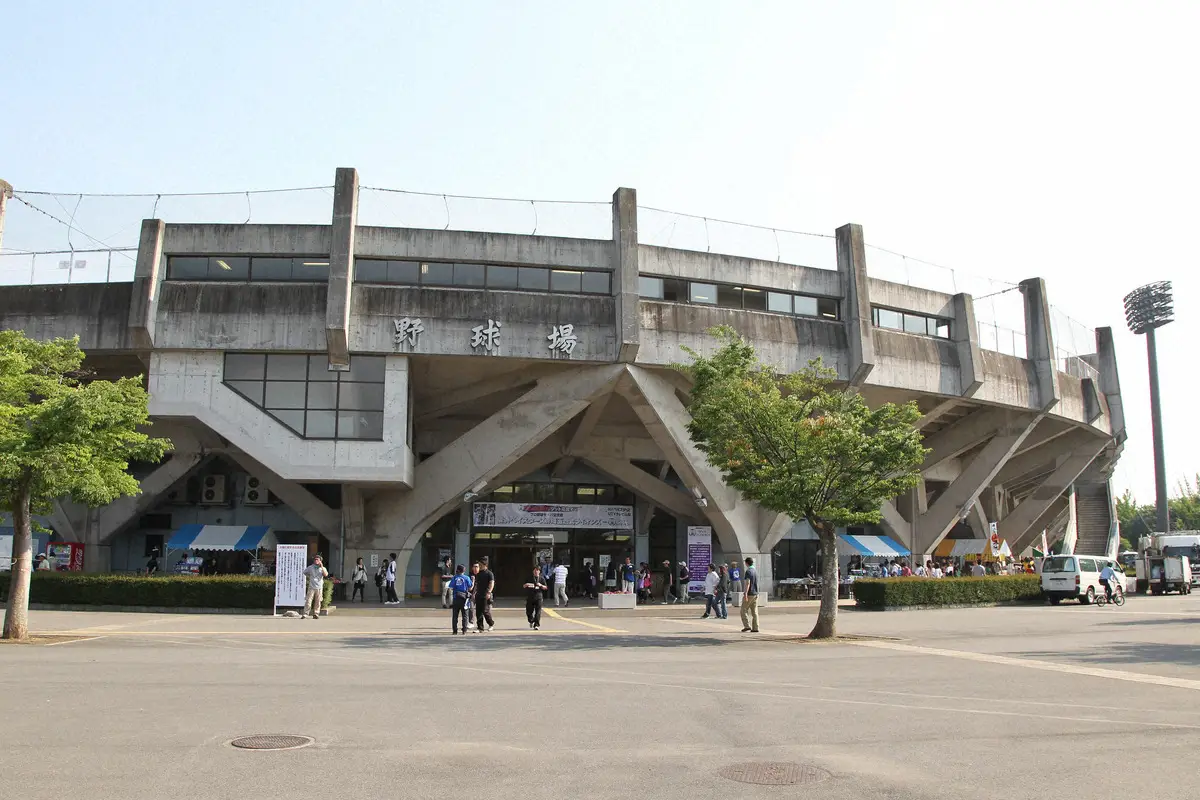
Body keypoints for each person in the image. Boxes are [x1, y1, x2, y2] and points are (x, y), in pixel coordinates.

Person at [448, 565, 473, 635]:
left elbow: (451, 587)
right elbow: (470, 588)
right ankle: (464, 630)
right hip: (464, 599)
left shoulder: (455, 578)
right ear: (464, 570)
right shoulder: (467, 578)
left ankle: (455, 630)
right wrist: (473, 581)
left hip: (456, 598)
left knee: (455, 616)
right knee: (465, 615)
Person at [473, 558, 495, 632]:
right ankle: (480, 628)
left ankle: (491, 624)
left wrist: (489, 592)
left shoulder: (489, 573)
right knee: (478, 612)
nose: (479, 566)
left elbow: (492, 583)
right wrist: (474, 593)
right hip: (478, 594)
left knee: (485, 611)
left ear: (484, 565)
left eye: (480, 564)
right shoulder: (479, 574)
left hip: (485, 595)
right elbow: (476, 584)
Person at [302, 555, 327, 620]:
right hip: (311, 586)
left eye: (318, 560)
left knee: (318, 601)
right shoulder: (310, 567)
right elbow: (304, 572)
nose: (316, 561)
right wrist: (310, 576)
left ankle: (316, 613)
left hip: (319, 587)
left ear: (320, 561)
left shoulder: (323, 568)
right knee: (308, 600)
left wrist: (321, 567)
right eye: (315, 559)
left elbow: (325, 574)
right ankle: (305, 613)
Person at [740, 557, 760, 633]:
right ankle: (755, 627)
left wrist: (745, 593)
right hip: (755, 593)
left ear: (746, 563)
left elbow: (747, 583)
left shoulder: (748, 571)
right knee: (754, 611)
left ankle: (747, 626)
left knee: (743, 610)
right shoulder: (755, 570)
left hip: (749, 593)